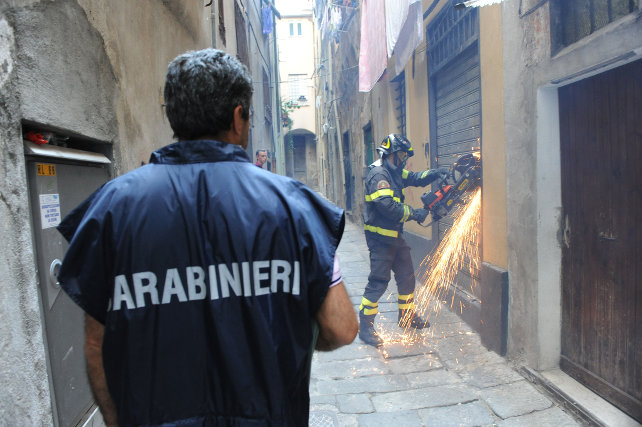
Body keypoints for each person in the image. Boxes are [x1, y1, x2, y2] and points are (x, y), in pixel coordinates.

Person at [56, 48, 357, 426]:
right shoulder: (295, 209)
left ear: (173, 116)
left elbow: (96, 345)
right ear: (237, 117)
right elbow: (342, 327)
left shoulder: (113, 209)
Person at [359, 134, 448, 347]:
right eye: (400, 155)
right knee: (379, 282)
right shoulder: (379, 175)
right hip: (380, 239)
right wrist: (414, 213)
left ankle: (407, 318)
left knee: (407, 276)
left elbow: (415, 178)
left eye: (403, 156)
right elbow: (387, 206)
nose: (402, 159)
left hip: (395, 237)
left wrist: (434, 173)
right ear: (389, 154)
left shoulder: (395, 171)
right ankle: (365, 327)